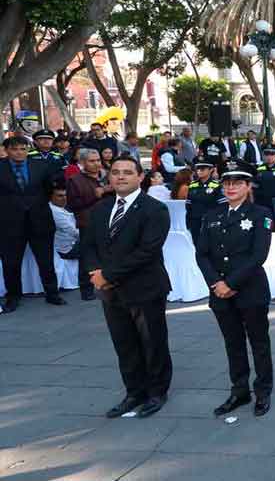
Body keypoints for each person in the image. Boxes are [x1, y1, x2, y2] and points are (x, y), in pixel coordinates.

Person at [80, 155, 172, 418]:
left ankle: (156, 392)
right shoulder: (101, 209)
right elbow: (88, 245)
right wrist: (95, 272)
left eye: (127, 172)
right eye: (116, 172)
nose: (121, 177)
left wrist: (107, 274)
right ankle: (134, 392)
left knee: (152, 342)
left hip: (145, 288)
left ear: (140, 177)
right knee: (124, 343)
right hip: (110, 292)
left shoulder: (155, 209)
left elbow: (147, 251)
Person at [195, 159, 273, 418]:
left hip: (249, 290)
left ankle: (263, 391)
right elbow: (202, 254)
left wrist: (231, 283)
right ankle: (239, 390)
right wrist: (216, 283)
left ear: (248, 185)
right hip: (220, 292)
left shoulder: (260, 214)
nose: (230, 187)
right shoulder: (212, 215)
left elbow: (258, 256)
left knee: (259, 343)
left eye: (237, 183)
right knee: (233, 343)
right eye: (227, 182)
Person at [0, 135, 65, 310]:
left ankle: (52, 293)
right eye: (15, 149)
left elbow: (49, 189)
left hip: (40, 220)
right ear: (6, 151)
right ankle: (13, 297)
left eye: (23, 148)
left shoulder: (41, 166)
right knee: (11, 263)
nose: (20, 152)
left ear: (28, 149)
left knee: (46, 261)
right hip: (9, 224)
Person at [66, 148, 113, 301]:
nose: (96, 164)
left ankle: (110, 283)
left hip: (111, 220)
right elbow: (73, 204)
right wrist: (95, 195)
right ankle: (86, 289)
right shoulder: (75, 180)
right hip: (88, 222)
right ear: (83, 162)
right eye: (91, 161)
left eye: (98, 160)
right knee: (88, 256)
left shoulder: (108, 176)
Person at [185, 157, 223, 240]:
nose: (199, 171)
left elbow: (222, 206)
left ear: (210, 170)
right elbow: (188, 205)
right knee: (197, 246)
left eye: (202, 169)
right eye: (197, 169)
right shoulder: (192, 185)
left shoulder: (216, 186)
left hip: (211, 221)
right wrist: (189, 222)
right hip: (195, 222)